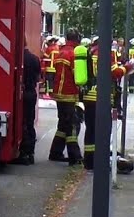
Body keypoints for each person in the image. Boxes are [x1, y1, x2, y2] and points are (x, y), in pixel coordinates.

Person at [79, 38, 126, 170]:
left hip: (89, 95)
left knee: (91, 130)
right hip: (102, 97)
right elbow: (114, 72)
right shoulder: (106, 53)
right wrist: (127, 68)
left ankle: (89, 161)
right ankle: (100, 160)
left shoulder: (90, 51)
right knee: (104, 130)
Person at [48, 29, 84, 165]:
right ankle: (75, 157)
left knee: (63, 123)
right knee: (72, 125)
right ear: (77, 40)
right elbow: (78, 75)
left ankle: (55, 152)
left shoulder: (60, 52)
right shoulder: (74, 53)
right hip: (69, 94)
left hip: (59, 94)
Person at [18, 46, 41, 164]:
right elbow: (38, 78)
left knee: (22, 123)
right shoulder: (34, 59)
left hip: (21, 93)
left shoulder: (18, 58)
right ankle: (30, 152)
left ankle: (23, 152)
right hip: (31, 93)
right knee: (29, 123)